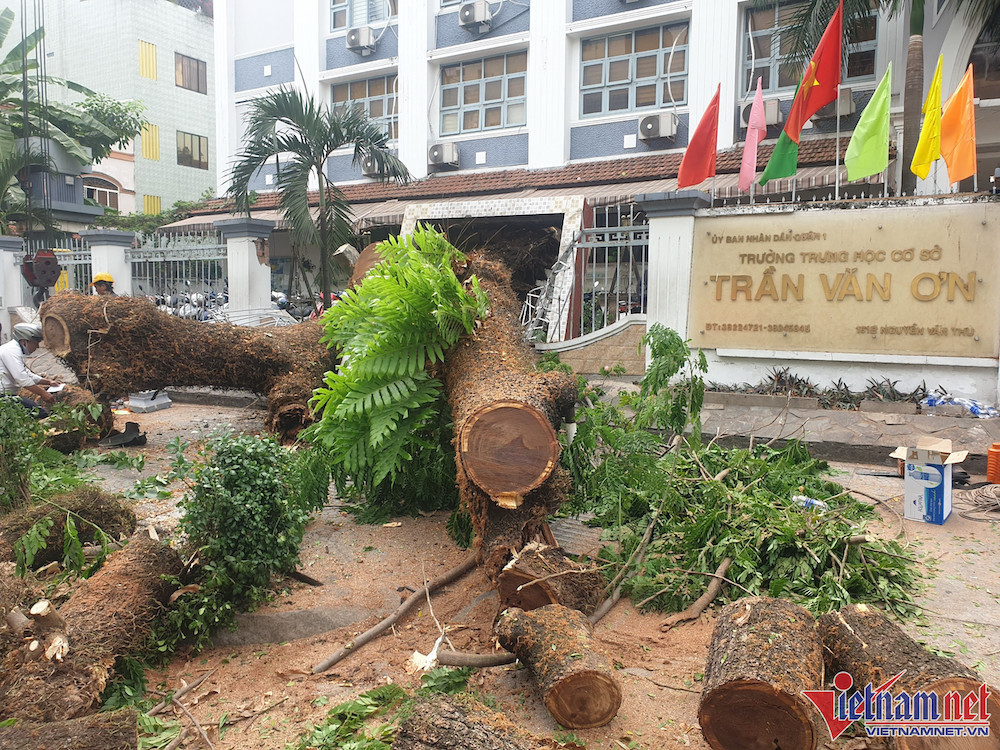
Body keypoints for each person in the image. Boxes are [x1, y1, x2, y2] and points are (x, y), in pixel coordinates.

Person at [0, 322, 60, 418]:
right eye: (35, 343)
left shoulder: (14, 350)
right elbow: (21, 378)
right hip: (3, 397)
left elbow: (27, 374)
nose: (37, 347)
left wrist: (48, 382)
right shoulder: (10, 351)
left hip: (8, 396)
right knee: (38, 413)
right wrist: (43, 393)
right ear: (24, 341)